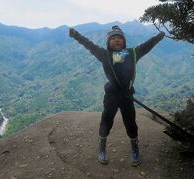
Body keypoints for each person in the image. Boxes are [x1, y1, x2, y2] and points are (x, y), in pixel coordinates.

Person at [69, 25, 165, 166]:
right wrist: (76, 35)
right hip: (112, 95)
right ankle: (101, 148)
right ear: (108, 42)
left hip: (127, 96)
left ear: (124, 41)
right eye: (113, 38)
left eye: (119, 38)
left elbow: (146, 46)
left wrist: (158, 38)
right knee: (106, 120)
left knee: (131, 123)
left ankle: (135, 148)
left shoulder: (132, 53)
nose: (116, 40)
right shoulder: (104, 55)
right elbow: (89, 45)